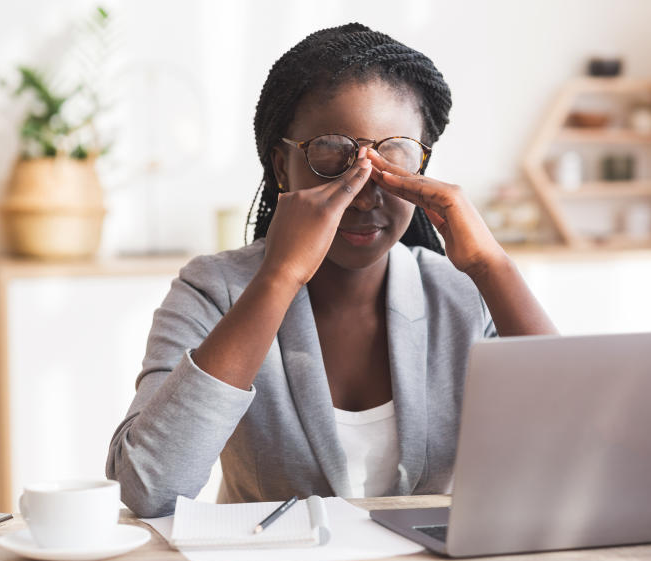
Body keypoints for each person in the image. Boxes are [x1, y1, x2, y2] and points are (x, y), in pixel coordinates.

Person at [106, 23, 557, 517]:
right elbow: (147, 489)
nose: (365, 194)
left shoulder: (461, 294)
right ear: (282, 168)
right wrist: (279, 278)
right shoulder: (213, 290)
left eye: (395, 156)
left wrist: (491, 267)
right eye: (333, 155)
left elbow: (573, 452)